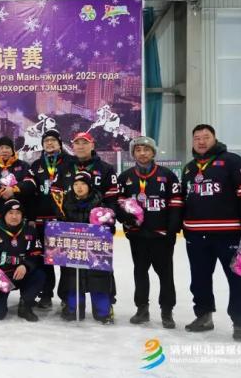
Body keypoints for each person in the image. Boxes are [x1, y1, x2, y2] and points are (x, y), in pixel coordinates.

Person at [181, 124, 241, 342]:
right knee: (199, 279)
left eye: (206, 137)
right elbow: (184, 199)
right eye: (197, 138)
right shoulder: (189, 168)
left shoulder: (233, 161)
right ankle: (204, 316)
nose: (201, 141)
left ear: (214, 139)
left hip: (228, 233)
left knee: (236, 279)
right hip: (196, 235)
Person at [116, 136, 181, 328]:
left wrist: (172, 230)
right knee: (140, 273)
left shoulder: (167, 175)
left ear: (153, 152)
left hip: (161, 237)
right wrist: (125, 219)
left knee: (166, 275)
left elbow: (176, 204)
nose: (142, 153)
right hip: (138, 236)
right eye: (138, 150)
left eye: (146, 149)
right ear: (133, 153)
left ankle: (167, 311)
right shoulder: (125, 177)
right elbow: (118, 203)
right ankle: (142, 309)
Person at [17, 129, 75, 309]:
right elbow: (29, 194)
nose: (49, 143)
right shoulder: (36, 165)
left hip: (63, 221)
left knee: (65, 261)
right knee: (45, 261)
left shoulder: (71, 162)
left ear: (60, 143)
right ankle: (46, 294)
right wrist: (31, 217)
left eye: (53, 140)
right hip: (42, 221)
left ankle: (66, 297)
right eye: (46, 141)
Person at [54, 171, 115, 324]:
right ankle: (73, 309)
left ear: (89, 186)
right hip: (73, 250)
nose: (79, 187)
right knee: (72, 278)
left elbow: (110, 229)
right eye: (76, 184)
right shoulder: (65, 203)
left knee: (98, 279)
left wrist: (106, 226)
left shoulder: (100, 203)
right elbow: (59, 229)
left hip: (95, 252)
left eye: (83, 184)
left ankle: (103, 311)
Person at [0, 199, 44, 321]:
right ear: (4, 214)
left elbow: (36, 254)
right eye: (11, 213)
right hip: (1, 279)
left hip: (21, 274)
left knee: (39, 275)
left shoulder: (30, 231)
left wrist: (26, 265)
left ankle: (25, 305)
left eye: (18, 213)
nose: (14, 216)